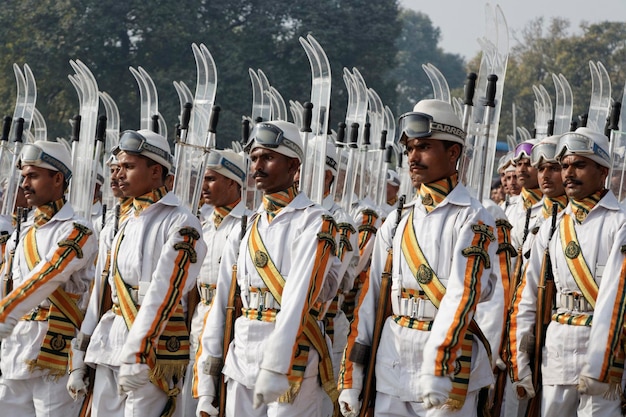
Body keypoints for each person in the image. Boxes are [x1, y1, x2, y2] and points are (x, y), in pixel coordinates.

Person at [338, 99, 498, 417]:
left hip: (449, 367)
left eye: (424, 146)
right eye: (410, 148)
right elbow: (371, 301)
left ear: (453, 152)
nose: (413, 156)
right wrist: (352, 378)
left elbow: (462, 295)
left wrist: (439, 365)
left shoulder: (475, 217)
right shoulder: (398, 219)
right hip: (392, 364)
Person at [195, 120, 341, 417]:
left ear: (293, 166)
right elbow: (221, 304)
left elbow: (300, 297)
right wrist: (207, 380)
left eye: (268, 158)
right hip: (242, 357)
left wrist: (277, 364)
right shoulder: (247, 226)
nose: (257, 167)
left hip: (291, 359)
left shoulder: (314, 222)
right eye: (254, 159)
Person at [68, 129, 207, 417]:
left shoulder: (181, 222)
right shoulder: (120, 222)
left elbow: (165, 291)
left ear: (156, 171)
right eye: (118, 166)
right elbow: (101, 293)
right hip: (109, 342)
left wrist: (139, 352)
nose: (119, 174)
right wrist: (80, 354)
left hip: (152, 350)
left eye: (129, 167)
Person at [509, 127, 626, 416]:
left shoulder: (620, 222)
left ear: (603, 172)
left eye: (580, 165)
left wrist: (602, 364)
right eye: (565, 166)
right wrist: (519, 359)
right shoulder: (551, 225)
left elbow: (617, 298)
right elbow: (526, 296)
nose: (569, 173)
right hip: (558, 352)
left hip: (609, 357)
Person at [0, 139, 98, 416]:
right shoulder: (23, 232)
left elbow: (49, 272)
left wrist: (5, 312)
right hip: (15, 349)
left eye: (33, 176)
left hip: (54, 352)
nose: (24, 184)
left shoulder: (78, 230)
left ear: (57, 179)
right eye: (23, 177)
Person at [186, 149, 251, 415]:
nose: (204, 186)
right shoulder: (201, 224)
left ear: (232, 183)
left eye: (211, 179)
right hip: (201, 317)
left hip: (231, 319)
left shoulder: (246, 225)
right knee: (196, 395)